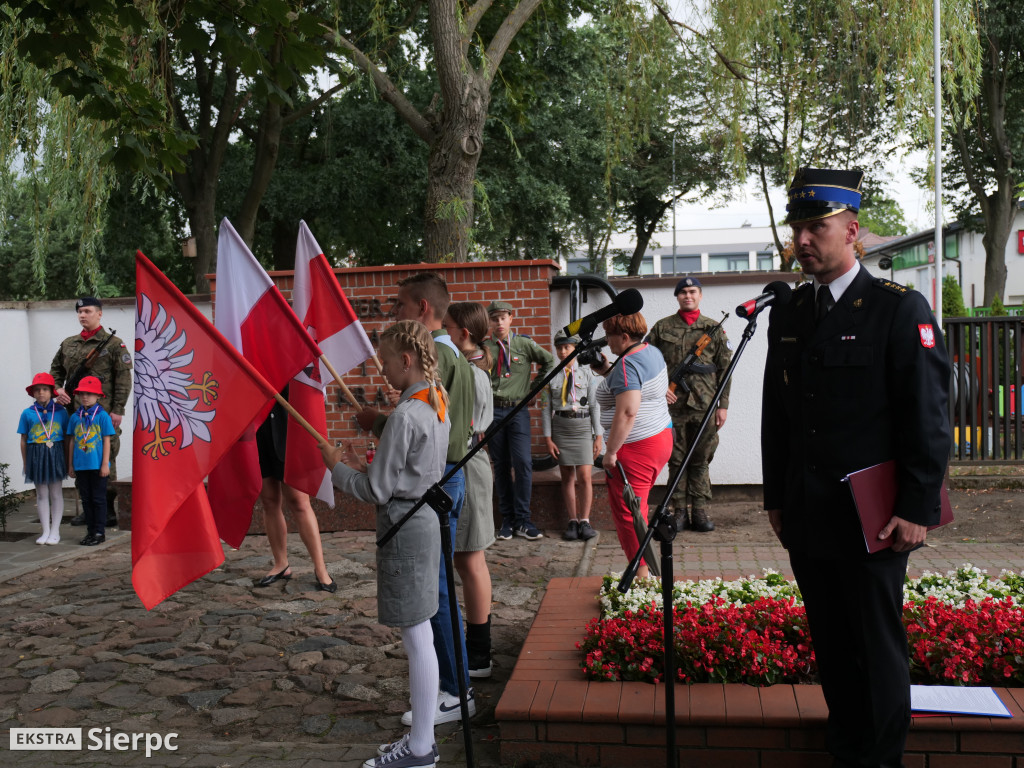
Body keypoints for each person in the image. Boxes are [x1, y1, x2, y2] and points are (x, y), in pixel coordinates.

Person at [761, 167, 952, 768]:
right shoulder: (789, 311)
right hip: (810, 515)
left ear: (853, 230)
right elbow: (778, 412)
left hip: (874, 520)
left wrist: (917, 507)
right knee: (834, 651)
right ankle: (846, 753)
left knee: (876, 651)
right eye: (798, 227)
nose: (804, 239)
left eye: (817, 226)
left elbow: (928, 415)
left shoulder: (897, 309)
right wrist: (775, 496)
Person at [320, 320, 448, 768]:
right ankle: (422, 738)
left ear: (406, 360)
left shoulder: (405, 415)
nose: (384, 371)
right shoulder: (434, 400)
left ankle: (420, 748)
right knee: (422, 632)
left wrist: (336, 467)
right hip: (425, 519)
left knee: (416, 635)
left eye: (387, 362)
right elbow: (411, 455)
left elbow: (376, 490)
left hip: (404, 524)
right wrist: (378, 429)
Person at [357, 272, 476, 725]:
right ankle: (456, 680)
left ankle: (453, 687)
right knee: (440, 589)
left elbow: (415, 431)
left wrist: (377, 424)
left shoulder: (434, 362)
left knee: (434, 597)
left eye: (400, 306)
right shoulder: (452, 357)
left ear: (423, 308)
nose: (396, 313)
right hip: (444, 478)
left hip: (432, 484)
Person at [590, 313, 673, 580]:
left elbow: (627, 412)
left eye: (609, 336)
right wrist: (605, 370)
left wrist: (610, 453)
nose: (607, 343)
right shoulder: (651, 352)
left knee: (630, 513)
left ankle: (643, 577)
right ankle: (643, 569)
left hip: (636, 447)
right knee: (640, 506)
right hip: (660, 437)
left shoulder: (628, 366)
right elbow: (635, 384)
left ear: (625, 337)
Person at [647, 276, 732, 533]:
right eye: (683, 292)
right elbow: (647, 362)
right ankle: (679, 510)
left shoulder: (713, 329)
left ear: (700, 295)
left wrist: (723, 405)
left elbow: (725, 370)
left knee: (701, 458)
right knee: (676, 459)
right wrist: (660, 389)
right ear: (677, 296)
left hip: (705, 406)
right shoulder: (662, 328)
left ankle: (700, 510)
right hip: (672, 407)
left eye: (692, 291)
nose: (688, 295)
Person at [442, 301, 496, 679]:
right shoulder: (468, 367)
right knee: (464, 559)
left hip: (469, 461)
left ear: (464, 334)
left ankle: (480, 652)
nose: (441, 334)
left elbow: (467, 426)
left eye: (447, 328)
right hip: (467, 459)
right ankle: (476, 646)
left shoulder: (470, 373)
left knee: (470, 561)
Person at [50, 296, 132, 527]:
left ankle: (106, 509)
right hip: (74, 413)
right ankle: (88, 508)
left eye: (87, 311)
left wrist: (117, 410)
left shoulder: (114, 344)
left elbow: (123, 380)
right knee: (79, 456)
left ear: (99, 314)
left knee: (107, 457)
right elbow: (55, 370)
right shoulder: (69, 343)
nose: (82, 315)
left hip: (103, 414)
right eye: (79, 312)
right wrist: (57, 390)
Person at [484, 300, 555, 541]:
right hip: (493, 412)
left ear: (511, 319)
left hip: (518, 411)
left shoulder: (524, 344)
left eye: (503, 317)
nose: (499, 322)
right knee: (501, 465)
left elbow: (550, 362)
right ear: (489, 322)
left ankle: (524, 520)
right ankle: (507, 520)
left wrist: (533, 390)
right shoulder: (484, 348)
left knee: (523, 463)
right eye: (494, 318)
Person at [252, 397, 334, 592]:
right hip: (258, 427)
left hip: (289, 425)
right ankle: (281, 564)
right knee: (269, 500)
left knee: (299, 501)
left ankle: (321, 569)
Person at [541, 331, 601, 541]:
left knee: (585, 476)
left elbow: (595, 406)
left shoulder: (587, 375)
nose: (562, 351)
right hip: (562, 428)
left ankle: (585, 520)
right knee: (567, 475)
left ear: (575, 348)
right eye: (559, 347)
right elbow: (545, 409)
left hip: (583, 428)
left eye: (567, 347)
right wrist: (548, 438)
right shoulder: (552, 375)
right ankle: (572, 520)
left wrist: (598, 435)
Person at [18, 373, 69, 545]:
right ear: (33, 393)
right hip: (36, 454)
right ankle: (45, 530)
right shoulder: (27, 413)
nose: (41, 393)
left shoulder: (62, 412)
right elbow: (23, 439)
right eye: (37, 390)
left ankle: (55, 531)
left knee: (55, 492)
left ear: (52, 392)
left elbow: (68, 438)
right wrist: (26, 462)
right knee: (41, 493)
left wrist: (69, 462)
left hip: (56, 453)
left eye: (45, 389)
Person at [66, 376, 115, 546]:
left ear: (98, 396)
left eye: (89, 394)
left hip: (97, 465)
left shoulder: (102, 416)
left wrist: (104, 464)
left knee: (98, 499)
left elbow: (107, 440)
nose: (85, 397)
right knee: (86, 500)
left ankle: (100, 532)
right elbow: (72, 441)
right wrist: (71, 464)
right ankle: (90, 531)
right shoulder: (75, 417)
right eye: (82, 394)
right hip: (81, 466)